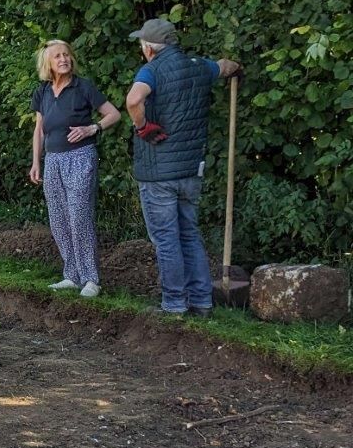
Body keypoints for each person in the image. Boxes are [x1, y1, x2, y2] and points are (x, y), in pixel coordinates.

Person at [125, 18, 241, 317]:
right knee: (189, 233)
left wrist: (143, 127)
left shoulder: (152, 70)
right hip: (191, 171)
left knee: (166, 239)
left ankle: (174, 304)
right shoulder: (198, 66)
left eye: (142, 44)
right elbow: (224, 66)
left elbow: (134, 99)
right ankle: (202, 301)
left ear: (149, 48)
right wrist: (235, 68)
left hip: (159, 173)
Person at [28, 40, 123, 298]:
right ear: (48, 63)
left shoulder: (84, 87)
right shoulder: (43, 92)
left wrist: (93, 128)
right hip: (53, 160)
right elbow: (39, 129)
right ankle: (72, 275)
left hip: (81, 157)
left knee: (79, 217)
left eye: (67, 55)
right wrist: (37, 162)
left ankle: (91, 279)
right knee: (58, 219)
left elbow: (114, 114)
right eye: (58, 56)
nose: (64, 59)